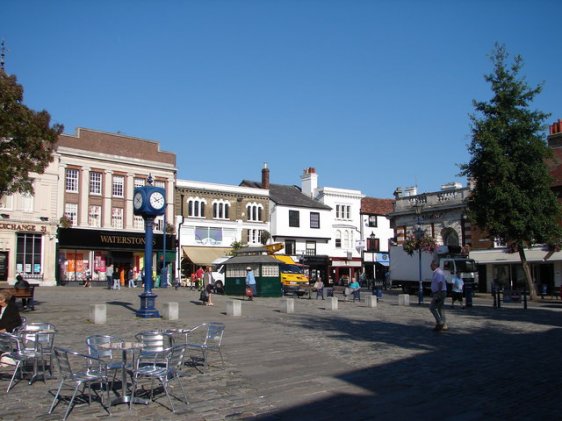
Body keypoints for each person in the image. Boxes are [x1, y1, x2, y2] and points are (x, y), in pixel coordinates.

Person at [430, 261, 448, 331]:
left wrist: (438, 294)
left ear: (434, 265)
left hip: (439, 292)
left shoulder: (438, 272)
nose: (430, 267)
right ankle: (444, 325)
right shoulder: (436, 272)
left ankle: (440, 322)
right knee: (441, 309)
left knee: (432, 307)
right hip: (438, 292)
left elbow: (440, 283)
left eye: (431, 265)